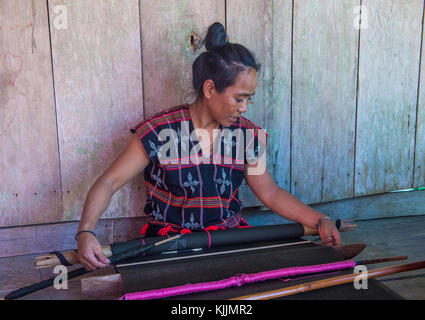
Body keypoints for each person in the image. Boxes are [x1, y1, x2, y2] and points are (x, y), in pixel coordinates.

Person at [76, 22, 341, 271]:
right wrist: (86, 232)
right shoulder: (160, 131)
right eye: (239, 98)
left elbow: (270, 193)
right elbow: (109, 182)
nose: (245, 108)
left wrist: (319, 220)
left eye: (250, 99)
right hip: (171, 246)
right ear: (210, 88)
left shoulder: (244, 135)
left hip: (227, 242)